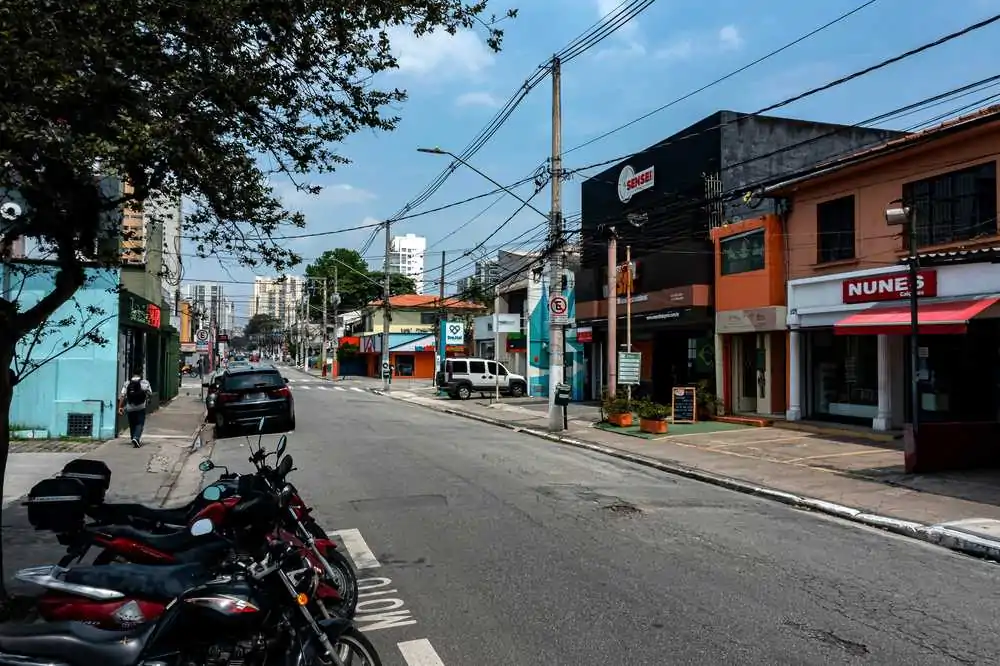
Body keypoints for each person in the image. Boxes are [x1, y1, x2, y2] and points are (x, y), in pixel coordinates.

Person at [118, 372, 152, 448]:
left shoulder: (127, 383)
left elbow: (122, 396)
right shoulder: (145, 382)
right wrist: (148, 400)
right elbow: (150, 393)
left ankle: (133, 438)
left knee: (132, 424)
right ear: (140, 375)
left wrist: (120, 407)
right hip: (141, 407)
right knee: (140, 423)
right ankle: (136, 438)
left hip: (130, 407)